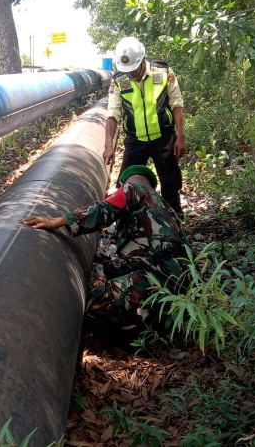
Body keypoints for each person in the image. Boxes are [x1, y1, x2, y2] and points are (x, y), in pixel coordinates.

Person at [22, 165, 191, 325]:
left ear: (124, 184)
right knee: (112, 269)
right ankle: (161, 316)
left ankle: (141, 323)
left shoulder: (132, 188)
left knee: (93, 303)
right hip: (183, 284)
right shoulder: (167, 210)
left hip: (159, 276)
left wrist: (61, 221)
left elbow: (106, 208)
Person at [104, 37, 187, 215]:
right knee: (124, 184)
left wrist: (181, 137)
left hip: (163, 139)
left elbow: (176, 105)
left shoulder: (164, 72)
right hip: (135, 141)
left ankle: (175, 222)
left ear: (142, 60)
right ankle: (126, 224)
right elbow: (113, 113)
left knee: (170, 183)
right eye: (126, 70)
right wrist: (108, 145)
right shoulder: (118, 80)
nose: (129, 74)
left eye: (132, 69)